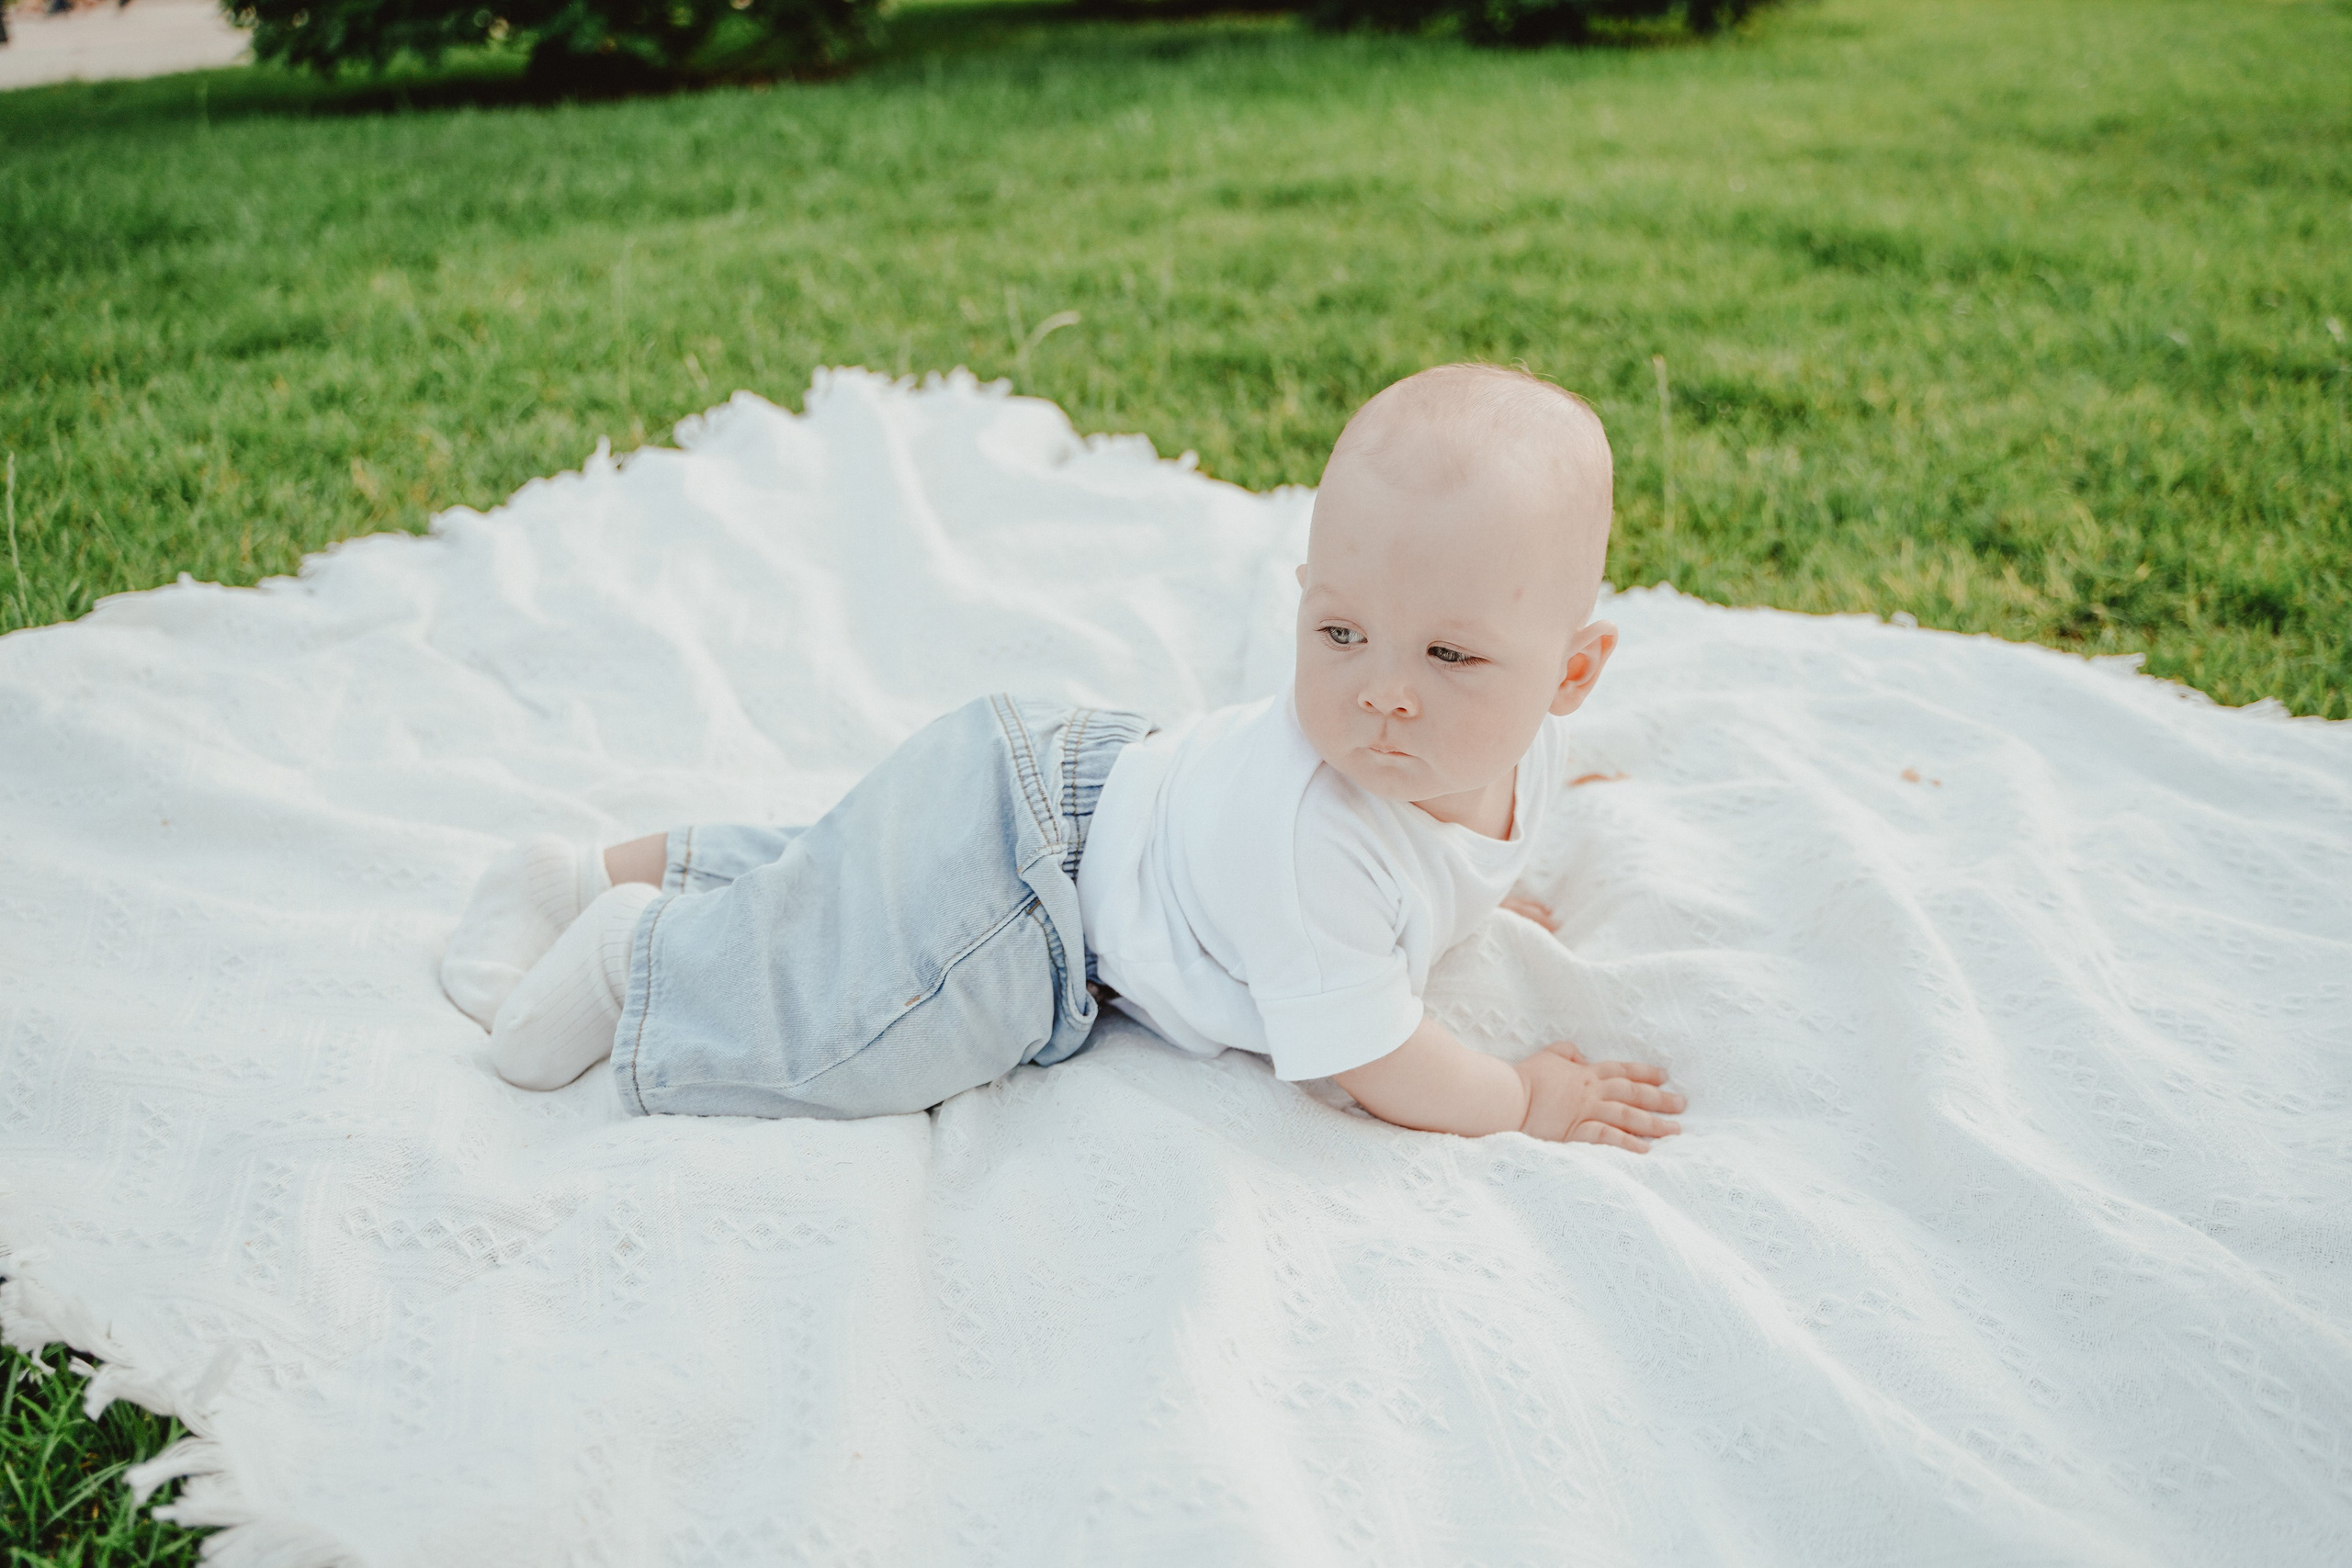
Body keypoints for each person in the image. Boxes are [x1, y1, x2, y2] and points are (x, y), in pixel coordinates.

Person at [439, 363, 1686, 1148]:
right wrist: (1522, 1098)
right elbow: (1375, 1061)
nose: (1384, 698)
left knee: (836, 880)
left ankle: (594, 871)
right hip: (1038, 902)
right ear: (1303, 597)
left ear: (1569, 674)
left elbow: (1448, 856)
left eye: (1451, 660)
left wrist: (1476, 897)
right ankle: (636, 959)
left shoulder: (1519, 761)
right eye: (1341, 634)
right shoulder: (1317, 841)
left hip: (1061, 768)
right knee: (859, 1024)